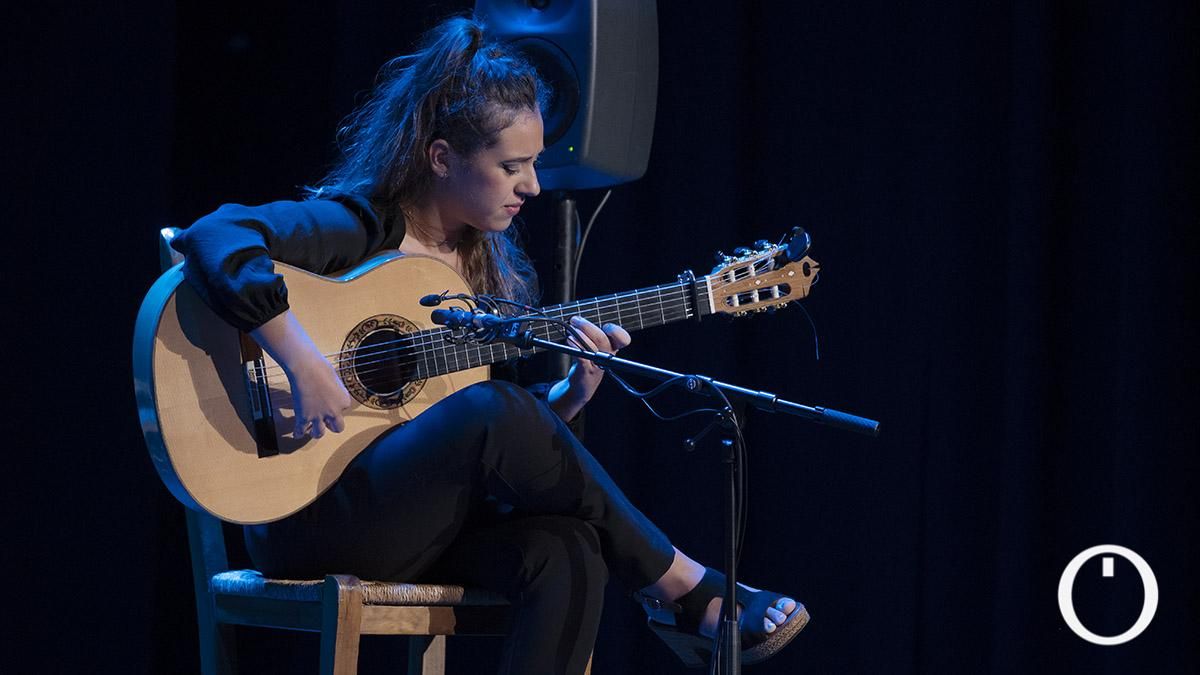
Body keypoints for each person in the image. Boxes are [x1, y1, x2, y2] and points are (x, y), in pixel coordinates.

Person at [172, 15, 807, 674]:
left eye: (533, 164)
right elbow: (213, 235)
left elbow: (478, 440)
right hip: (310, 515)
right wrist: (301, 360)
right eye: (511, 167)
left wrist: (566, 397)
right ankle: (684, 587)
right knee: (496, 409)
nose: (532, 186)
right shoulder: (360, 229)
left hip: (418, 522)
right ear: (441, 157)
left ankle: (678, 591)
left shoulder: (486, 273)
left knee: (568, 548)